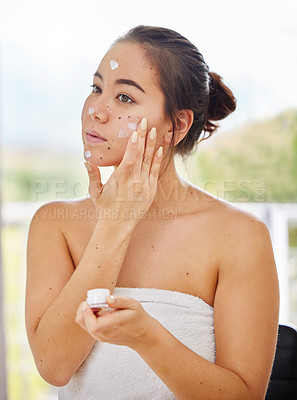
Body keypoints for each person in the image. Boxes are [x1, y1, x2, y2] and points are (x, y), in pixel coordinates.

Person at [25, 25, 279, 400]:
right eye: (96, 88)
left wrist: (148, 338)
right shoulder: (54, 225)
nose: (96, 110)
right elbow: (54, 367)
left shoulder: (240, 237)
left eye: (124, 98)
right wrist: (114, 225)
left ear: (176, 125)